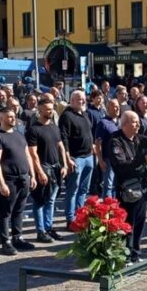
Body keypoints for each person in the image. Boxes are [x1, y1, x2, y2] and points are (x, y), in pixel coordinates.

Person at [0, 105, 37, 255]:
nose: (13, 119)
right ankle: (5, 242)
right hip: (9, 180)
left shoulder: (19, 135)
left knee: (19, 210)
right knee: (5, 212)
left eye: (14, 116)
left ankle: (17, 237)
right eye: (9, 116)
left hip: (24, 178)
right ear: (1, 118)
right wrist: (1, 184)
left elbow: (27, 156)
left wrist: (32, 175)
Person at [109, 111, 147, 263]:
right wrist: (142, 159)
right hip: (127, 189)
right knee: (128, 223)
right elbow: (121, 164)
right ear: (125, 124)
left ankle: (136, 253)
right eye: (135, 122)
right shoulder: (116, 141)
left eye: (138, 122)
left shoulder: (137, 138)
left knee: (140, 221)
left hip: (141, 187)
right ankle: (126, 255)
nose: (138, 125)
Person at [27, 97, 68, 242]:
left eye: (52, 109)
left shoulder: (54, 127)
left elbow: (61, 146)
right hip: (44, 168)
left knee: (51, 200)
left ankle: (49, 227)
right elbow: (32, 153)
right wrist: (39, 172)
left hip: (56, 168)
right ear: (40, 109)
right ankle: (40, 231)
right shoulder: (34, 129)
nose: (51, 111)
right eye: (48, 109)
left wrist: (65, 165)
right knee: (39, 201)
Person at [59, 90, 96, 230]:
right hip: (76, 158)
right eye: (79, 99)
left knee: (83, 190)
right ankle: (70, 219)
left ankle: (80, 216)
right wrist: (67, 158)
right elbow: (64, 138)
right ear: (72, 100)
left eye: (83, 98)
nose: (83, 101)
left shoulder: (85, 114)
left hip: (88, 157)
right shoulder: (67, 116)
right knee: (72, 190)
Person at [94, 99, 121, 199]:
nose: (117, 108)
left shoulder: (119, 122)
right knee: (108, 185)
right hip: (108, 159)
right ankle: (107, 208)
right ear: (108, 108)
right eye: (114, 106)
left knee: (116, 185)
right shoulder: (103, 123)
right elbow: (98, 143)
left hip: (118, 159)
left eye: (118, 105)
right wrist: (100, 160)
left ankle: (115, 208)